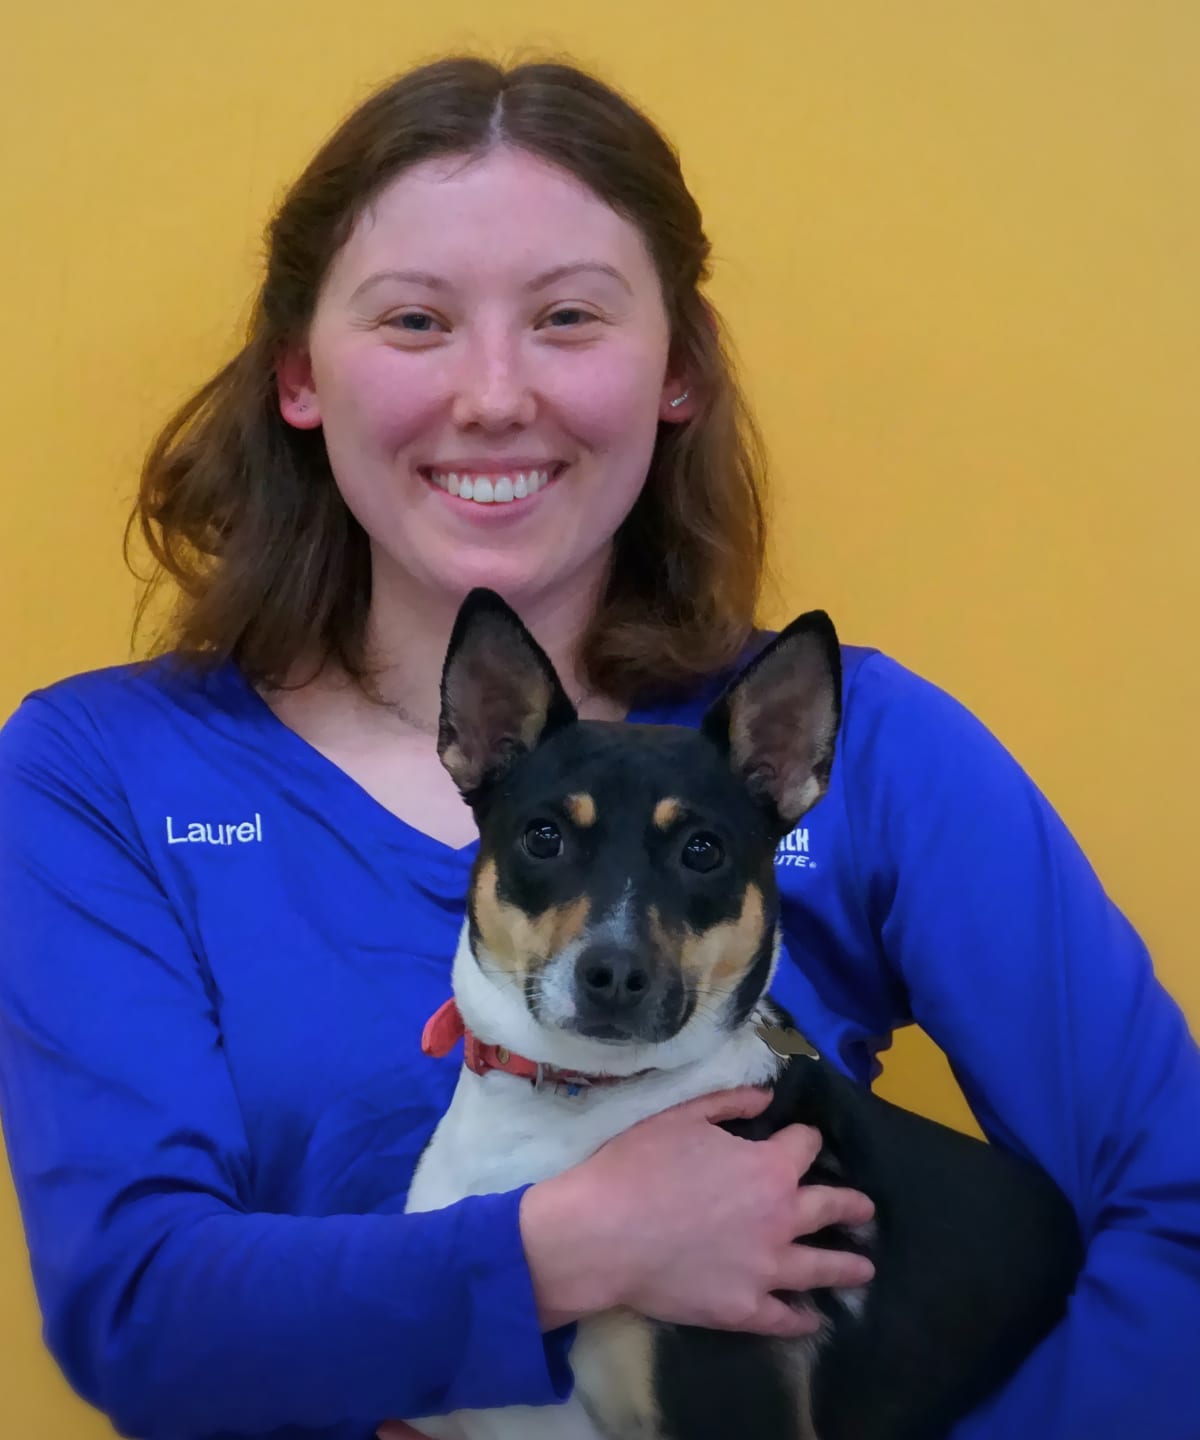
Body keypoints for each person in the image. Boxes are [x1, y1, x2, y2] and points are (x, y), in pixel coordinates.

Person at [0, 54, 1197, 1440]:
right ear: (299, 374)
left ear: (676, 371)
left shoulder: (869, 750)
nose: (495, 394)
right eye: (415, 321)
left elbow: (1171, 1213)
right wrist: (573, 1247)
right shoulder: (101, 776)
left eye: (569, 316)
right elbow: (140, 1313)